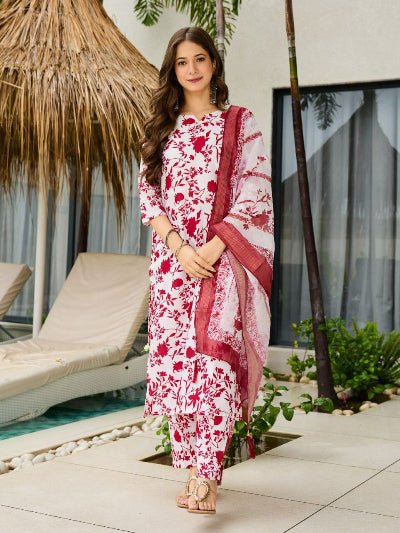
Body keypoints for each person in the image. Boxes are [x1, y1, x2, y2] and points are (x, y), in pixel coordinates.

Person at [139, 26, 274, 515]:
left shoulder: (240, 123)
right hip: (173, 268)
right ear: (172, 70)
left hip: (222, 263)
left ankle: (208, 476)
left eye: (200, 58)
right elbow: (148, 197)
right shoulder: (161, 129)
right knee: (180, 368)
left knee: (215, 364)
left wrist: (214, 247)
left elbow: (255, 189)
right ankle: (193, 468)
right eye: (182, 62)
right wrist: (180, 249)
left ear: (214, 64)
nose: (192, 69)